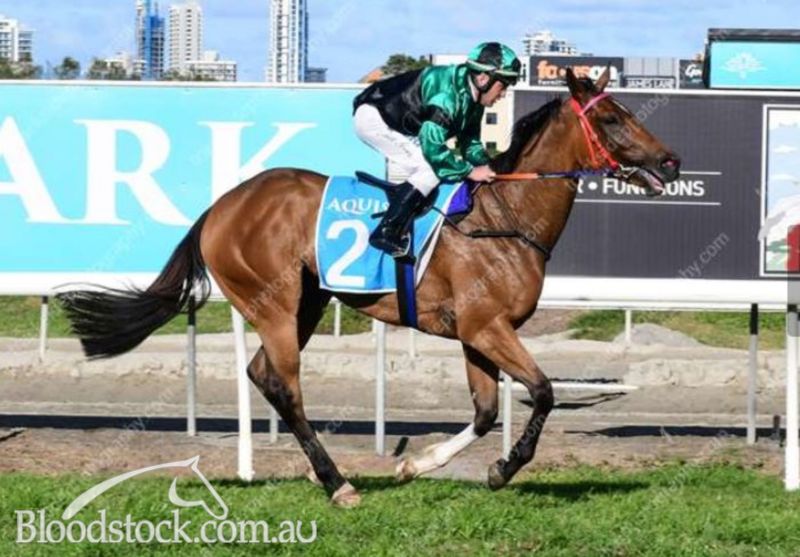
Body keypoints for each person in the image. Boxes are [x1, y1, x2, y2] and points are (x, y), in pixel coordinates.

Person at [353, 41, 521, 258]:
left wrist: (490, 166)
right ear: (483, 78)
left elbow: (469, 142)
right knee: (430, 170)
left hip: (401, 125)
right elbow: (433, 148)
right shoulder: (447, 96)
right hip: (375, 118)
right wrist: (469, 171)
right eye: (503, 85)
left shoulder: (474, 100)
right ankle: (386, 231)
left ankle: (405, 197)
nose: (503, 93)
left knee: (433, 171)